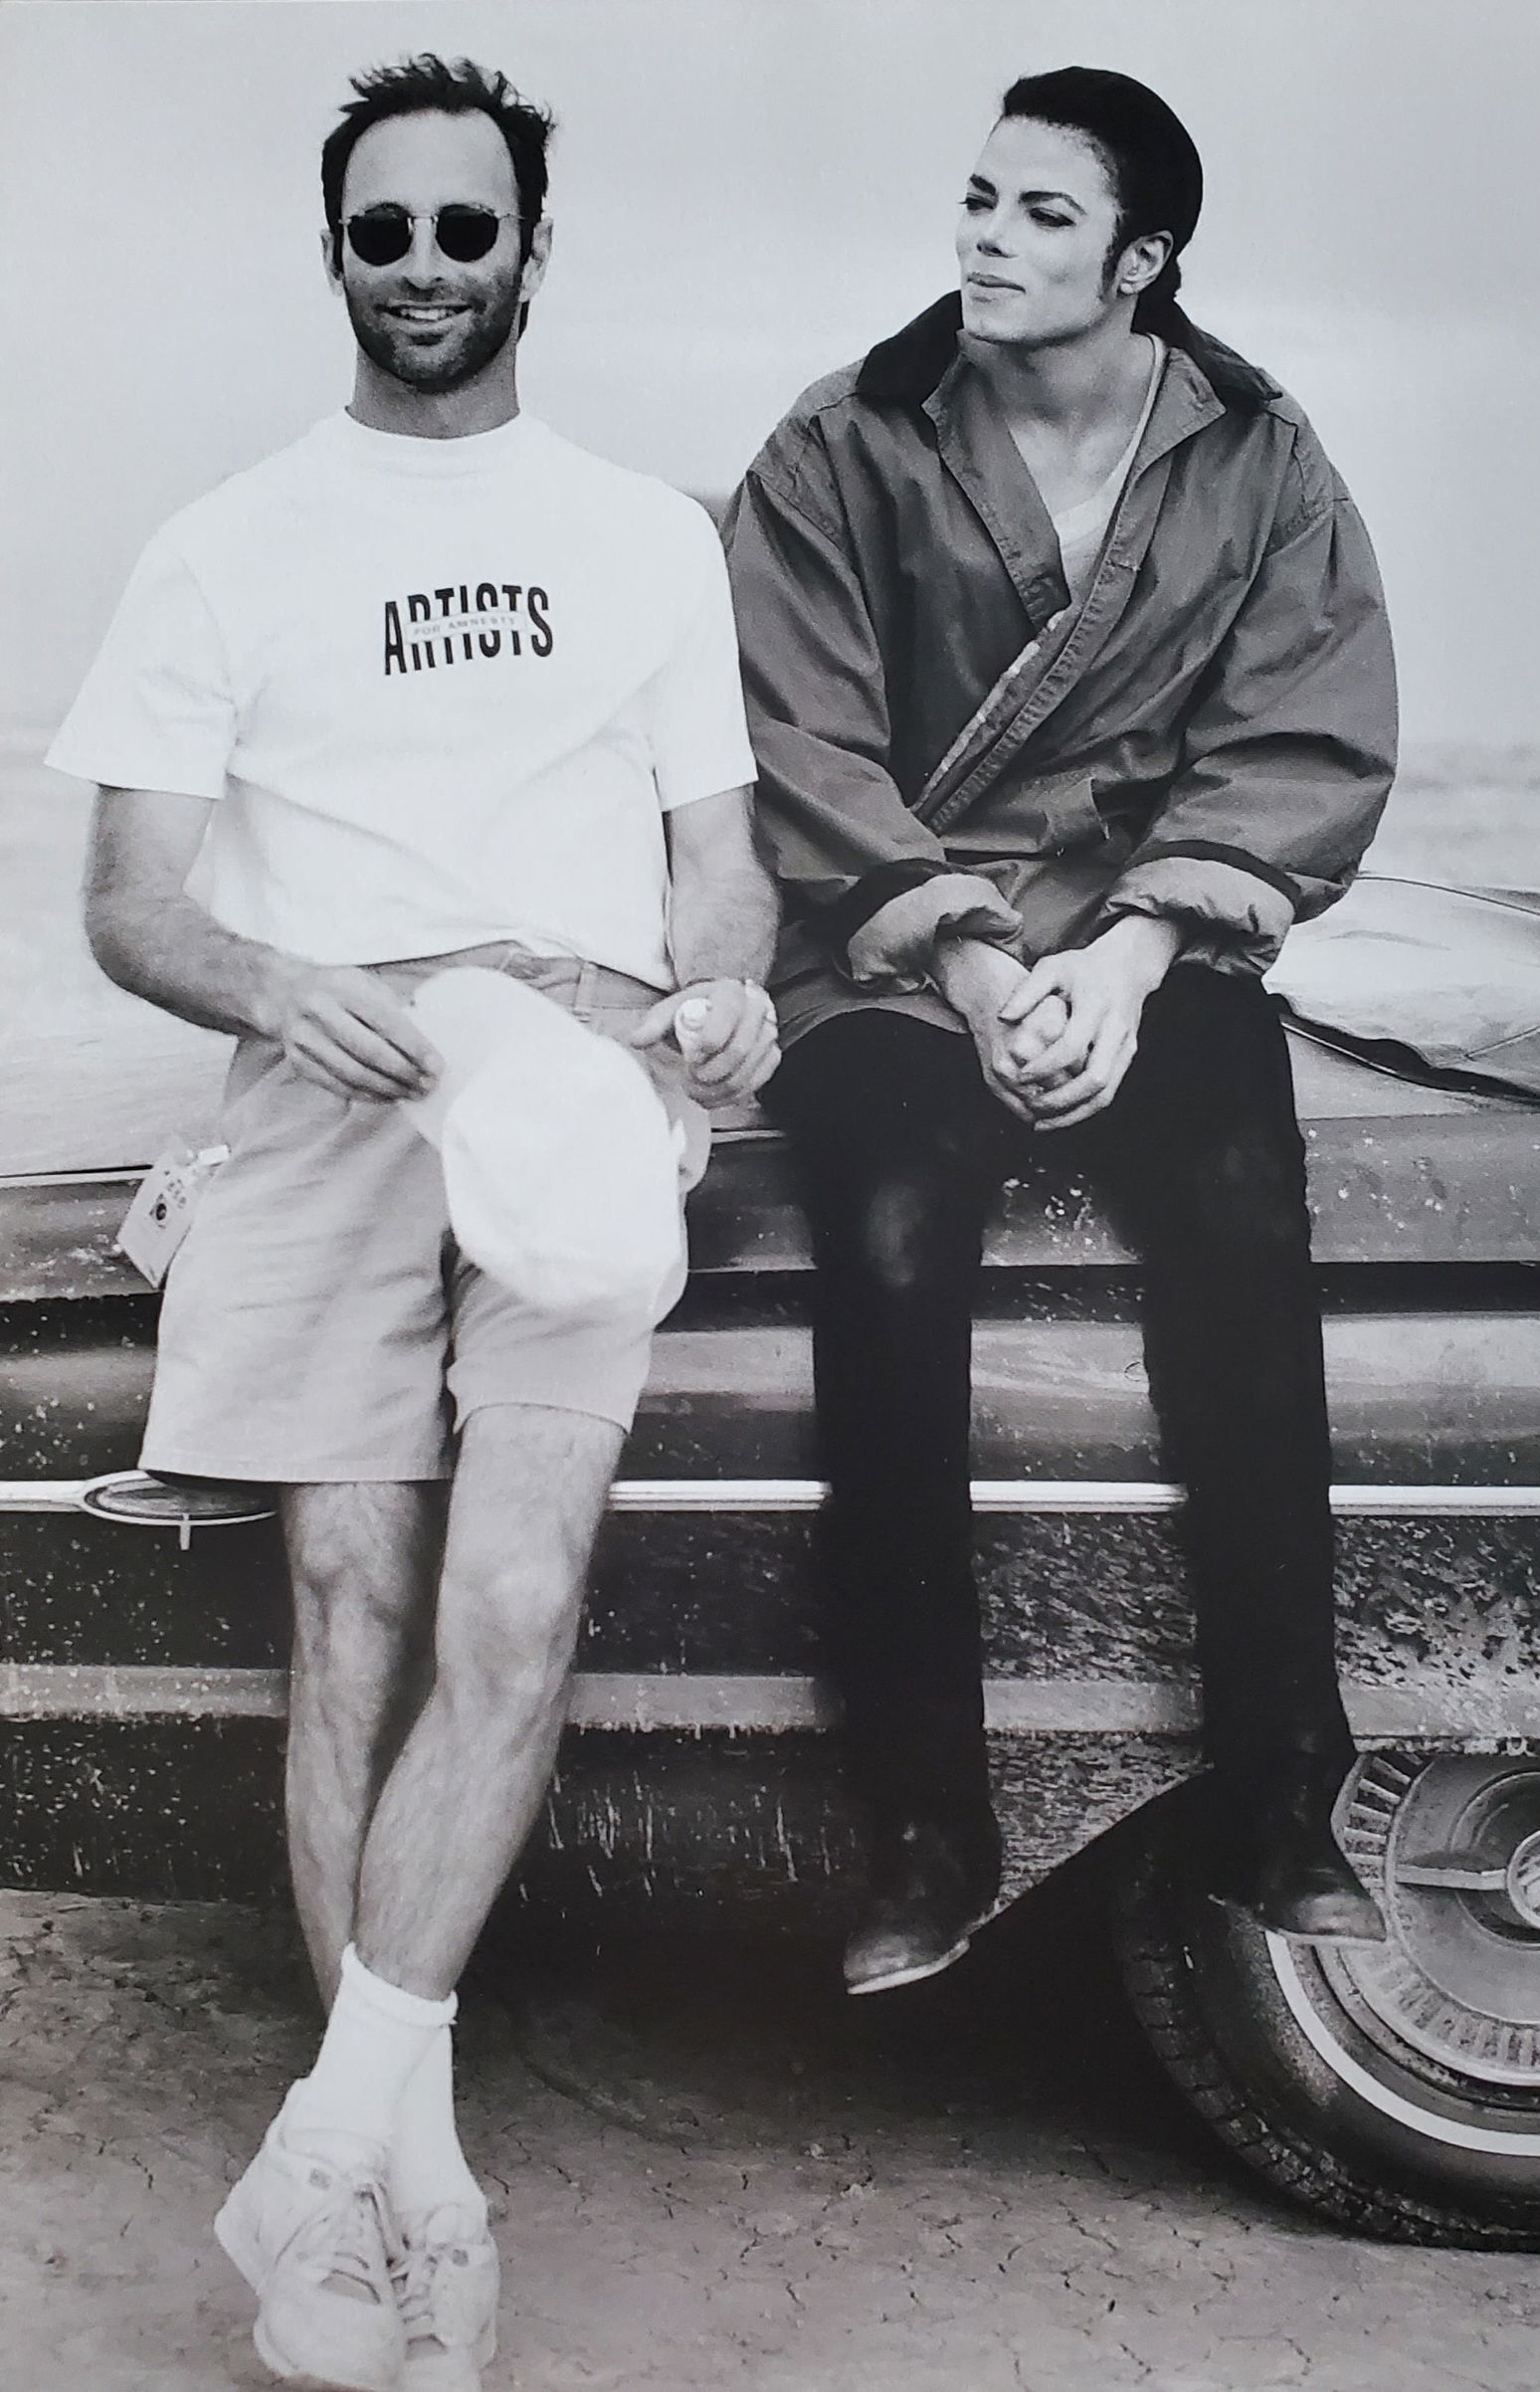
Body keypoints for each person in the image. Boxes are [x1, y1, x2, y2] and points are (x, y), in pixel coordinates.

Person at [47, 53, 777, 2392]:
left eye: (470, 231)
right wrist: (288, 983)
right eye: (388, 231)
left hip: (570, 1095)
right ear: (335, 249)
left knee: (517, 1594)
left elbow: (715, 850)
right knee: (350, 1608)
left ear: (532, 252)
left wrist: (728, 980)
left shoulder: (647, 538)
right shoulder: (223, 540)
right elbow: (133, 903)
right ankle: (402, 2169)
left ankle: (332, 2144)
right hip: (327, 1084)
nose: (428, 269)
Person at [724, 66, 1397, 1997]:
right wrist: (958, 958)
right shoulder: (842, 440)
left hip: (1143, 945)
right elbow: (799, 733)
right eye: (972, 198)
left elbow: (1299, 733)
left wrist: (1115, 961)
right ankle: (925, 1820)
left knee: (1237, 1215)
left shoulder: (1256, 456)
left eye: (1034, 213)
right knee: (890, 1238)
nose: (981, 239)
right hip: (883, 950)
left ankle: (1277, 1790)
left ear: (1141, 257)